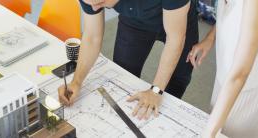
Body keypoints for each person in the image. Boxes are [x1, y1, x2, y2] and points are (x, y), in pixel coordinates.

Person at [58, 0, 199, 120]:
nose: (95, 8)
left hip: (177, 17)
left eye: (100, 2)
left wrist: (156, 91)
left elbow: (175, 39)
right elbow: (92, 37)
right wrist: (76, 82)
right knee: (123, 75)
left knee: (176, 80)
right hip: (134, 20)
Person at [187, 0, 258, 137]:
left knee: (229, 131)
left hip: (248, 84)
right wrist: (211, 37)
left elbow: (240, 74)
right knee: (216, 122)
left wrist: (208, 133)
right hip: (227, 72)